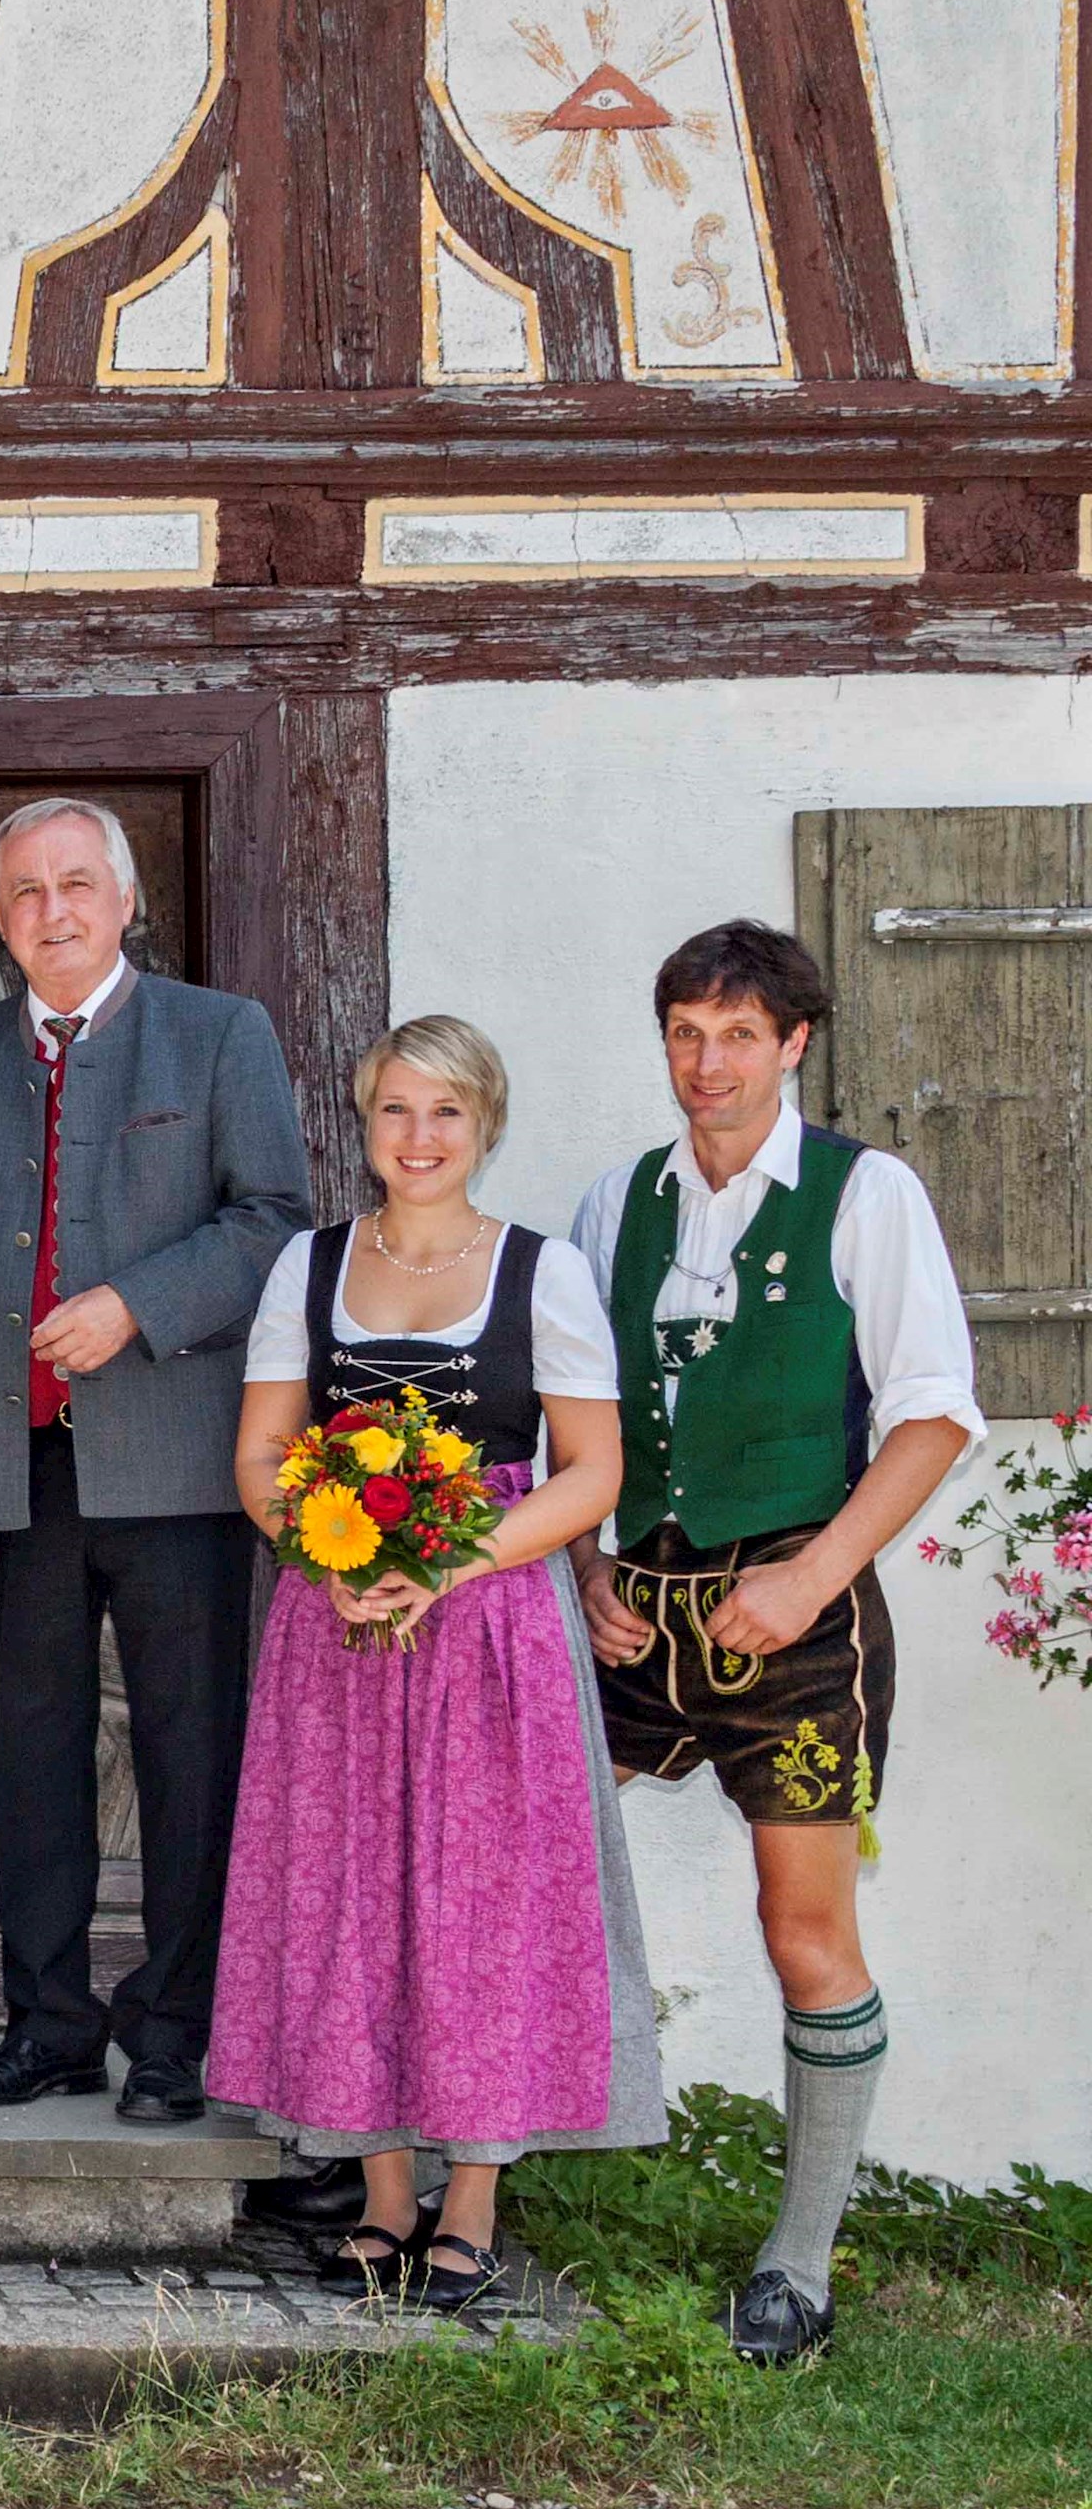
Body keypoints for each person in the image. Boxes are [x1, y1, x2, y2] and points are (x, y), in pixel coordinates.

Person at [570, 922, 978, 2366]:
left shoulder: (867, 1195)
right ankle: (444, 2177)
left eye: (738, 1033)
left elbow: (932, 1411)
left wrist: (813, 1576)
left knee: (802, 1931)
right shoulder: (617, 1202)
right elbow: (576, 1415)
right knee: (515, 1851)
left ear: (795, 1042)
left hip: (795, 1614)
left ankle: (797, 2262)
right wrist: (581, 1562)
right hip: (638, 1608)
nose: (708, 1061)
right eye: (686, 1030)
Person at [210, 1017, 664, 2315]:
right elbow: (261, 1455)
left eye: (445, 1113)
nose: (418, 1137)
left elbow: (593, 1470)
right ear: (367, 1121)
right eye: (396, 1110)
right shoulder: (310, 1265)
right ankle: (384, 2187)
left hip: (492, 1630)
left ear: (485, 1124)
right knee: (352, 1891)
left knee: (477, 1906)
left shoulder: (542, 1273)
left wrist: (453, 1561)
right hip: (342, 1625)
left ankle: (474, 2198)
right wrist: (329, 1549)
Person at [0, 797, 313, 2127]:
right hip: (16, 1468)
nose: (53, 910)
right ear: (0, 915)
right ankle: (50, 2023)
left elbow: (275, 1221)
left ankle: (177, 2032)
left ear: (126, 903)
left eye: (78, 885)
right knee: (35, 1751)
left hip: (184, 1463)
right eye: (25, 892)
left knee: (192, 1753)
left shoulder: (217, 1031)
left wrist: (139, 1301)